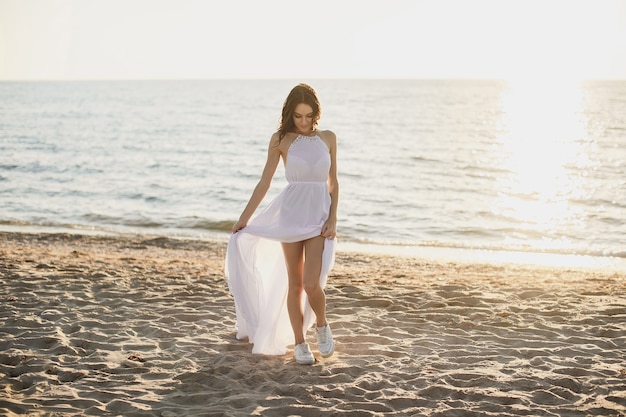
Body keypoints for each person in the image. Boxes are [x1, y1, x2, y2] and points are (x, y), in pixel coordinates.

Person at [225, 83, 338, 365]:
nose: (303, 121)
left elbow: (333, 182)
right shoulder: (280, 140)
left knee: (313, 283)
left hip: (319, 218)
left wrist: (334, 217)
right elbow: (265, 181)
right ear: (290, 114)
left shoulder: (328, 138)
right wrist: (244, 218)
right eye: (298, 116)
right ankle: (300, 343)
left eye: (308, 116)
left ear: (316, 114)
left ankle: (322, 325)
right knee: (296, 284)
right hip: (290, 217)